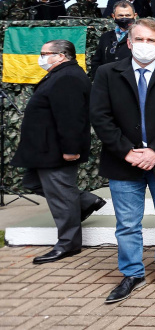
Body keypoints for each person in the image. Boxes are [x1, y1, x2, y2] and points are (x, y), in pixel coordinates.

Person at [90, 18, 155, 303]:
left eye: (151, 41)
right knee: (128, 224)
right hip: (123, 161)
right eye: (140, 39)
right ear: (129, 42)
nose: (145, 45)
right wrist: (126, 151)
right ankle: (132, 273)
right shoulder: (107, 73)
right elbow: (100, 116)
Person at [11, 39, 105, 265]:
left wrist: (70, 149)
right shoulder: (60, 74)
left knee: (62, 197)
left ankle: (68, 244)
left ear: (61, 55)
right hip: (43, 150)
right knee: (33, 183)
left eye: (45, 53)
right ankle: (86, 201)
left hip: (56, 150)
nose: (41, 57)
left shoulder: (69, 77)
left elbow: (71, 118)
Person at [89, 1, 137, 79]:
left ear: (135, 16)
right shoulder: (105, 37)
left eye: (128, 15)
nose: (124, 18)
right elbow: (97, 62)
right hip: (108, 83)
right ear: (113, 16)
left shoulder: (140, 37)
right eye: (120, 15)